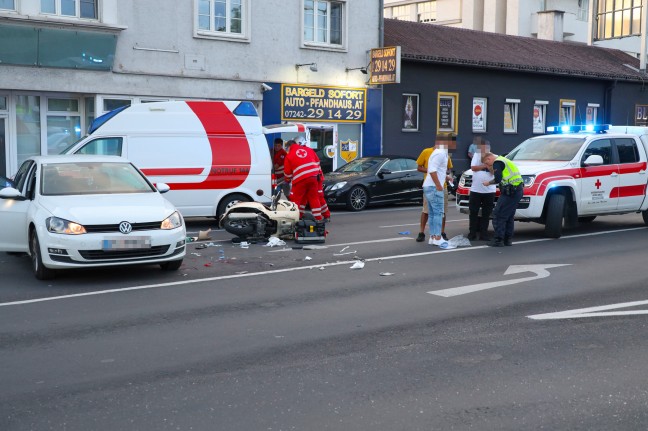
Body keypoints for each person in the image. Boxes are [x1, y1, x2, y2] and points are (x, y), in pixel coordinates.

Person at [481, 151, 524, 247]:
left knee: (498, 214)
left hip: (510, 192)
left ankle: (498, 240)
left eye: (487, 164)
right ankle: (507, 240)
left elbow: (498, 178)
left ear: (489, 158)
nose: (488, 166)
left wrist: (488, 183)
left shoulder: (497, 162)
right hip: (517, 191)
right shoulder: (504, 160)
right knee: (508, 216)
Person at [415, 142, 453, 242]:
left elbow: (440, 170)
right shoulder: (440, 153)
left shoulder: (437, 153)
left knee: (433, 213)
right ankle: (437, 237)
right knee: (438, 213)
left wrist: (446, 176)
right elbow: (432, 170)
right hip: (434, 186)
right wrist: (438, 185)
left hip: (429, 185)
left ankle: (433, 237)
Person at [283, 139, 323, 221]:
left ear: (289, 147)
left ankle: (295, 218)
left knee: (296, 199)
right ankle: (318, 218)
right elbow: (318, 162)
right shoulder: (309, 149)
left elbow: (287, 173)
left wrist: (287, 181)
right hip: (313, 177)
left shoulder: (289, 155)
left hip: (300, 179)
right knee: (314, 198)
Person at [295, 136, 331, 222]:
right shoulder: (308, 151)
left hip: (316, 177)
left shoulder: (308, 151)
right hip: (313, 177)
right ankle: (300, 215)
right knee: (305, 197)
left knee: (318, 197)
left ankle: (325, 216)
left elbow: (316, 164)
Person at [468, 138, 496, 241]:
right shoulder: (477, 155)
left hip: (489, 191)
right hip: (476, 189)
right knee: (473, 212)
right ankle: (472, 233)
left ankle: (484, 234)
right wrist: (484, 165)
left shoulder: (494, 157)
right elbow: (473, 168)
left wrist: (489, 166)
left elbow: (494, 172)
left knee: (486, 213)